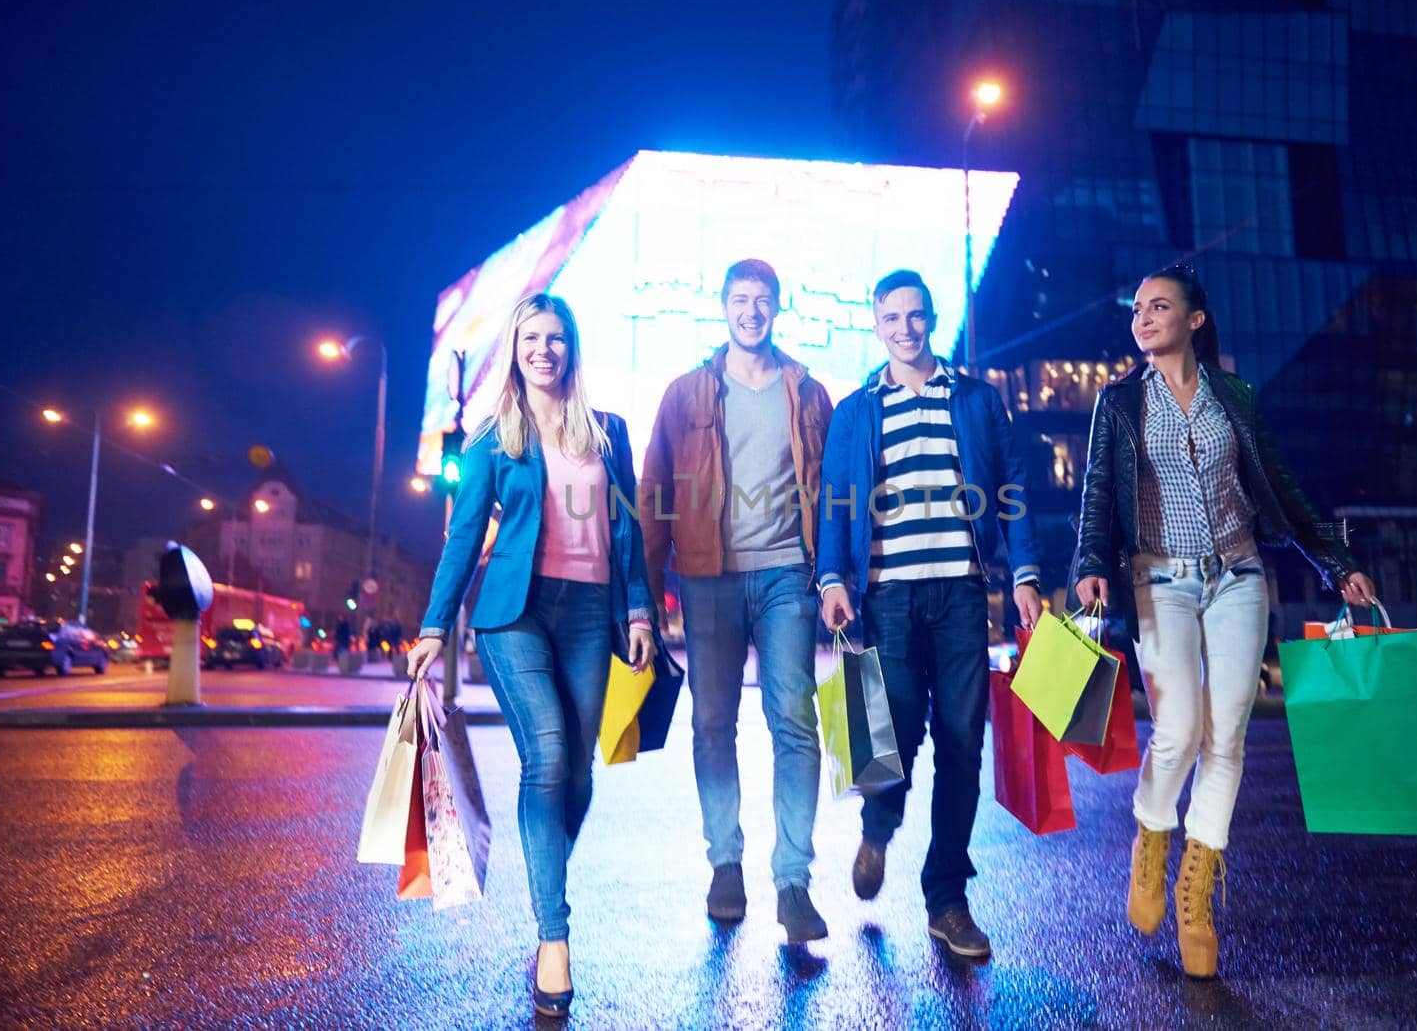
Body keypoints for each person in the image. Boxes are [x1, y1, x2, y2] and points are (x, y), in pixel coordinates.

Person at [1069, 264, 1377, 979]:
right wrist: (1089, 560)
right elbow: (1097, 492)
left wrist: (1336, 562)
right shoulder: (1118, 402)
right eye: (1138, 308)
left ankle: (1197, 889)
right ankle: (1153, 831)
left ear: (1195, 320)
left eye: (1160, 306)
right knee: (1177, 732)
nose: (1143, 317)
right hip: (1158, 580)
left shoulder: (1233, 397)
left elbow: (1279, 483)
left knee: (1226, 736)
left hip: (1238, 577)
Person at [408, 292, 656, 1018]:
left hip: (589, 616)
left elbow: (630, 531)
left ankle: (546, 876)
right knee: (546, 756)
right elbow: (462, 541)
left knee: (577, 774)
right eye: (530, 339)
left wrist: (639, 608)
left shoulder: (608, 433)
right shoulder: (493, 437)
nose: (542, 349)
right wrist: (433, 626)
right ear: (515, 351)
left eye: (554, 338)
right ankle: (555, 936)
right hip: (514, 614)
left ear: (570, 347)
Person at [817, 269, 1043, 959]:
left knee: (962, 743)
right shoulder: (857, 410)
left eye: (917, 316)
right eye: (893, 318)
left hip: (960, 593)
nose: (906, 328)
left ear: (933, 318)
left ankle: (946, 898)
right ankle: (878, 826)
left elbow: (1012, 487)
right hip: (886, 596)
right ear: (876, 323)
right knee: (895, 734)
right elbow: (834, 499)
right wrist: (831, 578)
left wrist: (1026, 572)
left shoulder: (975, 399)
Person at [640, 259, 835, 942]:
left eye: (763, 300)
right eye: (740, 299)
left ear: (779, 308)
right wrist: (642, 597)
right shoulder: (686, 393)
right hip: (708, 575)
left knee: (794, 721)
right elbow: (654, 492)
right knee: (711, 723)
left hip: (788, 573)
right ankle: (725, 862)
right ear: (723, 307)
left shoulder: (807, 391)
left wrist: (837, 576)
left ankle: (794, 880)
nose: (751, 310)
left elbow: (833, 491)